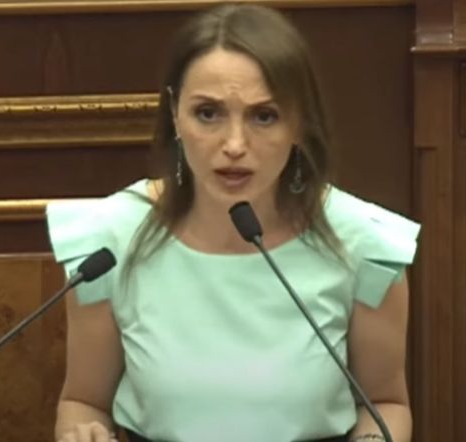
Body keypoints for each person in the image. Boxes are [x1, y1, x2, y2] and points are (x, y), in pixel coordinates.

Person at [47, 4, 419, 442]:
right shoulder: (108, 243)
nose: (235, 144)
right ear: (175, 114)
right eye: (208, 113)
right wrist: (84, 434)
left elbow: (385, 404)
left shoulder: (365, 246)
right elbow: (84, 402)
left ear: (300, 123)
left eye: (264, 116)